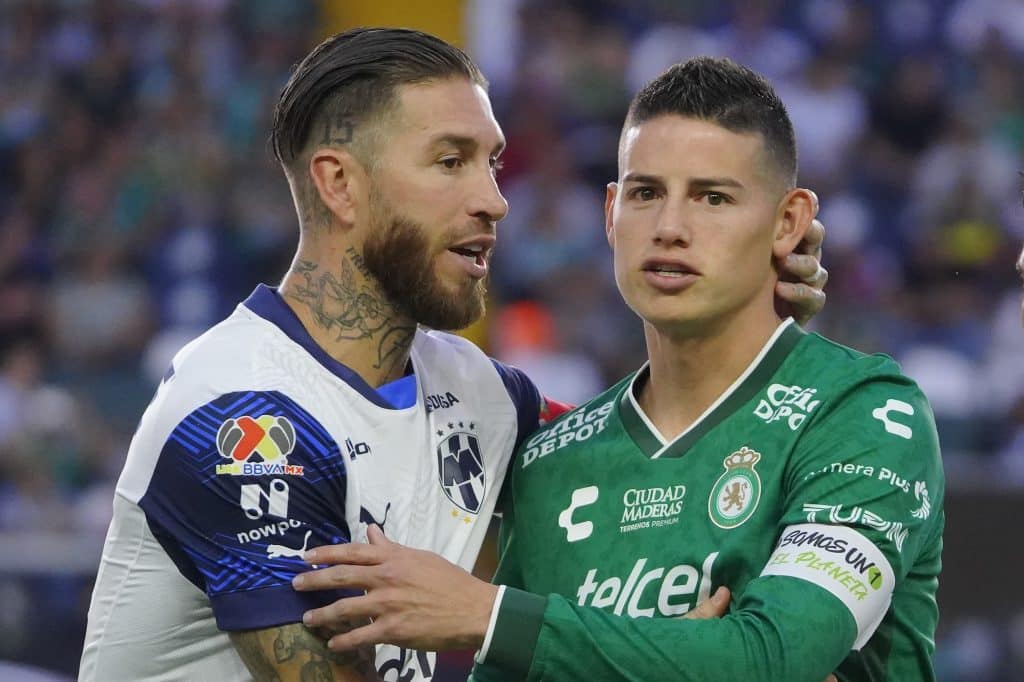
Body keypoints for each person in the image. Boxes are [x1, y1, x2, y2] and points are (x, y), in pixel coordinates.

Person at [78, 29, 826, 682]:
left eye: (492, 163)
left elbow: (675, 466)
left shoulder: (485, 399)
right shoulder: (244, 421)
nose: (494, 199)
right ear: (341, 184)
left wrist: (748, 311)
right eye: (450, 161)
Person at [293, 57, 944, 682]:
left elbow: (774, 658)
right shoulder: (550, 461)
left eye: (713, 199)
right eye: (645, 193)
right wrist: (685, 662)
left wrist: (485, 615)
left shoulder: (863, 412)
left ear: (789, 223)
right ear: (610, 214)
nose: (669, 227)